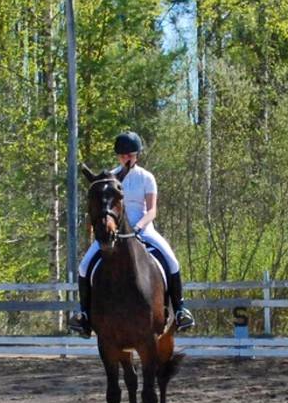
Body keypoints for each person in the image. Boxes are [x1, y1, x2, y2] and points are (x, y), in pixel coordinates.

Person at [68, 131, 195, 337]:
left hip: (144, 229)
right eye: (123, 155)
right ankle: (84, 315)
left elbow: (152, 210)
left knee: (172, 261)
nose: (127, 158)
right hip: (114, 232)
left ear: (137, 155)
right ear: (118, 156)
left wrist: (138, 228)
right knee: (84, 266)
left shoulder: (146, 178)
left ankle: (180, 310)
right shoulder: (110, 177)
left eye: (130, 154)